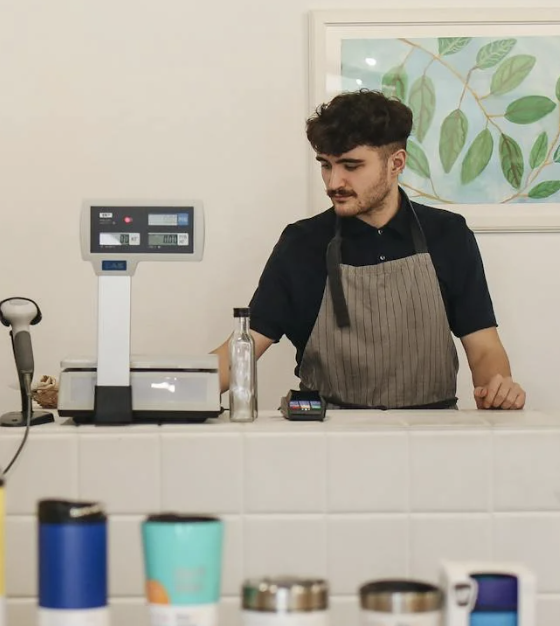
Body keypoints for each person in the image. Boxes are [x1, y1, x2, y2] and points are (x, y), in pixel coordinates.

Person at [217, 90, 525, 410]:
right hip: (327, 441)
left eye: (351, 165)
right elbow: (244, 347)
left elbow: (484, 348)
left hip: (432, 437)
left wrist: (497, 389)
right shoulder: (301, 244)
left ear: (396, 163)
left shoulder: (448, 235)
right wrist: (176, 388)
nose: (334, 181)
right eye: (326, 165)